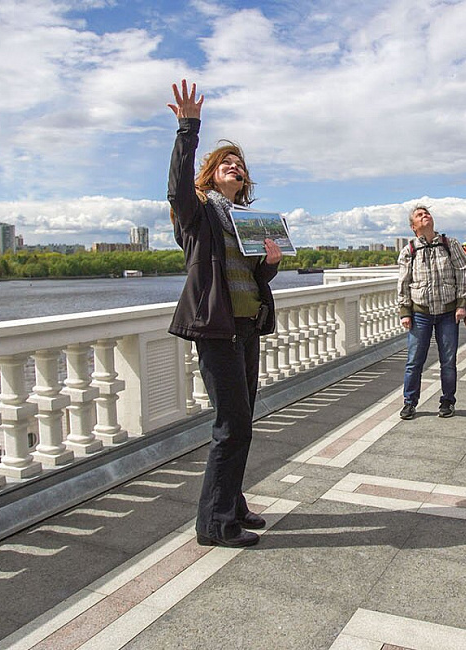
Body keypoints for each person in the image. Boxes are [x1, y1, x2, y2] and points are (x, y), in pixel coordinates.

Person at [166, 79, 283, 548]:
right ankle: (214, 525)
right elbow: (177, 188)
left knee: (244, 420)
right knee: (230, 426)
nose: (234, 167)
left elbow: (250, 280)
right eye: (226, 163)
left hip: (245, 327)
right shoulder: (199, 213)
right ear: (212, 174)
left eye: (240, 165)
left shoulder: (246, 221)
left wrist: (270, 266)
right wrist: (188, 129)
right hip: (215, 330)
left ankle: (232, 504)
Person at [397, 205, 466, 420]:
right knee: (414, 361)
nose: (425, 216)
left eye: (426, 213)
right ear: (414, 226)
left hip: (448, 312)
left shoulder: (450, 244)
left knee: (448, 360)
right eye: (419, 215)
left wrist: (462, 304)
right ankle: (410, 402)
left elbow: (463, 273)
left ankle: (448, 400)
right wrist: (405, 311)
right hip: (420, 312)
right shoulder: (409, 250)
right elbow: (403, 283)